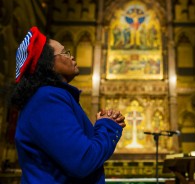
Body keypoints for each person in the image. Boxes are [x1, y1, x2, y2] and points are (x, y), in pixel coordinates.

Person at [10, 27, 126, 184]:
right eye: (65, 53)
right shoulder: (46, 99)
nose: (72, 57)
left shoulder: (50, 97)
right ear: (48, 63)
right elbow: (83, 161)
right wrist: (108, 126)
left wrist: (101, 125)